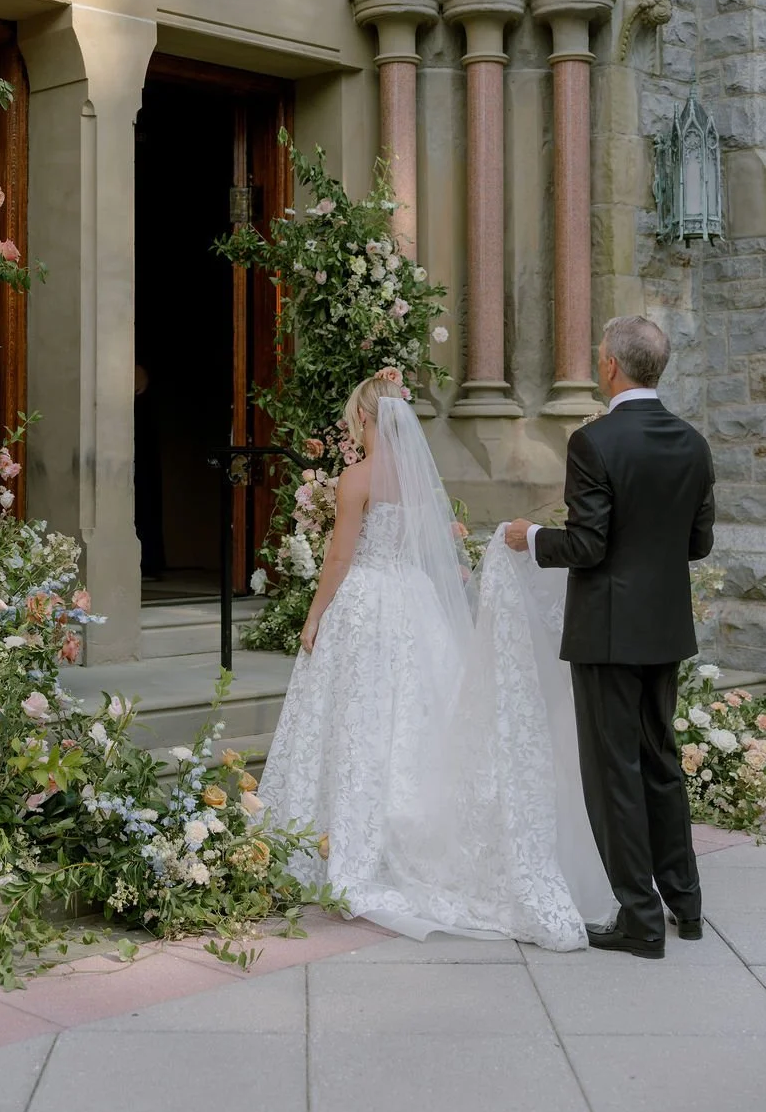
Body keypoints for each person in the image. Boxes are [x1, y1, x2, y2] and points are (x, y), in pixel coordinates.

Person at [260, 373, 616, 950]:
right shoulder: (418, 481)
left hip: (366, 602)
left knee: (356, 719)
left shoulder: (357, 477)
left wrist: (315, 613)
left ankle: (340, 839)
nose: (354, 427)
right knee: (417, 716)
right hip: (412, 598)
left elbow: (342, 554)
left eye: (356, 419)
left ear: (365, 419)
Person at [505, 315, 715, 959]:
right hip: (665, 629)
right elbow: (698, 543)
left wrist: (531, 538)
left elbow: (589, 545)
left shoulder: (594, 443)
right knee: (660, 762)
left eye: (600, 355)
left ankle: (639, 918)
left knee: (614, 774)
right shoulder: (693, 442)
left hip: (606, 634)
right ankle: (686, 903)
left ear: (611, 367)